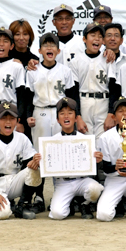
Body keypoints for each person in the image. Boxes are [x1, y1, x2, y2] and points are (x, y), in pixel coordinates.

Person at [24, 31, 81, 212]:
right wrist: (27, 115)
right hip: (40, 112)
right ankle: (39, 196)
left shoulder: (65, 71)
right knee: (39, 155)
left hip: (59, 114)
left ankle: (61, 194)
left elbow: (72, 96)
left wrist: (75, 116)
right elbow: (27, 96)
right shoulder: (33, 71)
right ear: (39, 50)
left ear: (58, 50)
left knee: (61, 153)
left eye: (53, 45)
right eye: (45, 45)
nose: (49, 48)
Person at [0, 101, 42, 220]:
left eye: (12, 118)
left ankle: (22, 205)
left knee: (35, 169)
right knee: (2, 214)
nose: (8, 122)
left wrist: (35, 161)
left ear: (17, 121)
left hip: (14, 181)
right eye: (3, 118)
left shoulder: (22, 138)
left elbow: (29, 162)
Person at [48, 98, 104, 220]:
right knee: (57, 214)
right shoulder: (52, 141)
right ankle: (70, 205)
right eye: (62, 113)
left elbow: (95, 167)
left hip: (82, 180)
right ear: (57, 119)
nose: (66, 116)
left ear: (76, 118)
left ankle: (85, 204)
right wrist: (39, 160)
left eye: (70, 113)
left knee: (95, 189)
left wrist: (98, 160)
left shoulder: (85, 140)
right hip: (63, 182)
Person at [68, 23, 112, 141]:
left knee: (103, 141)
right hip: (84, 102)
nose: (96, 39)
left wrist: (111, 113)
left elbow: (114, 88)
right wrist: (78, 116)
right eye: (93, 35)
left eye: (100, 36)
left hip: (103, 102)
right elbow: (73, 91)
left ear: (103, 41)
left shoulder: (108, 59)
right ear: (84, 39)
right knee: (85, 141)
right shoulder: (76, 61)